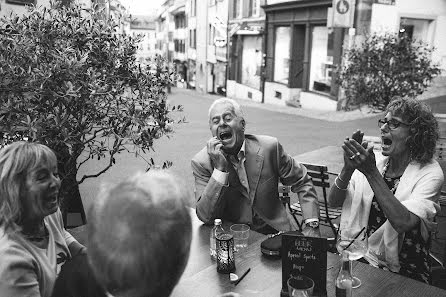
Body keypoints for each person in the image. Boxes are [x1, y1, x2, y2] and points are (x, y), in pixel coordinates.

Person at [328, 97, 444, 283]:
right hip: (359, 256)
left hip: (404, 269)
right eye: (384, 121)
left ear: (415, 133)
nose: (383, 128)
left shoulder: (430, 172)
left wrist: (371, 173)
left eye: (394, 123)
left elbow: (403, 222)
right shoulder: (377, 163)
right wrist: (347, 169)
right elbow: (333, 202)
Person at [192, 98, 320, 236]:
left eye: (228, 118)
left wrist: (311, 224)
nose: (222, 123)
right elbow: (205, 216)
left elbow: (302, 181)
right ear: (211, 130)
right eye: (216, 121)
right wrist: (219, 171)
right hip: (232, 236)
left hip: (275, 232)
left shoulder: (269, 148)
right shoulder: (202, 162)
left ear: (242, 124)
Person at [0, 141, 86, 297]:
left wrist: (84, 254)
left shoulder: (49, 215)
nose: (55, 183)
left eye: (55, 173)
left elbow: (61, 234)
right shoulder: (12, 260)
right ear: (16, 189)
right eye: (42, 177)